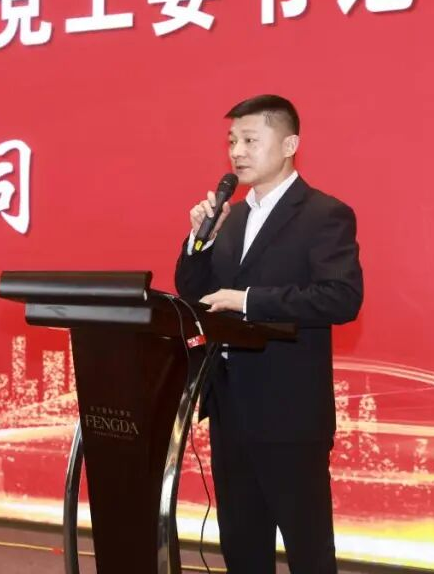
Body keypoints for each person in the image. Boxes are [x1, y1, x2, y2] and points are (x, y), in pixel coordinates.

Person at [174, 94, 363, 573]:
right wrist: (199, 241)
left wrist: (249, 300)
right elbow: (195, 294)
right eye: (232, 141)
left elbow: (341, 298)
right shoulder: (231, 217)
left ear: (289, 145)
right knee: (242, 547)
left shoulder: (324, 214)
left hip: (290, 412)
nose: (237, 152)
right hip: (230, 408)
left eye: (250, 140)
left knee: (308, 550)